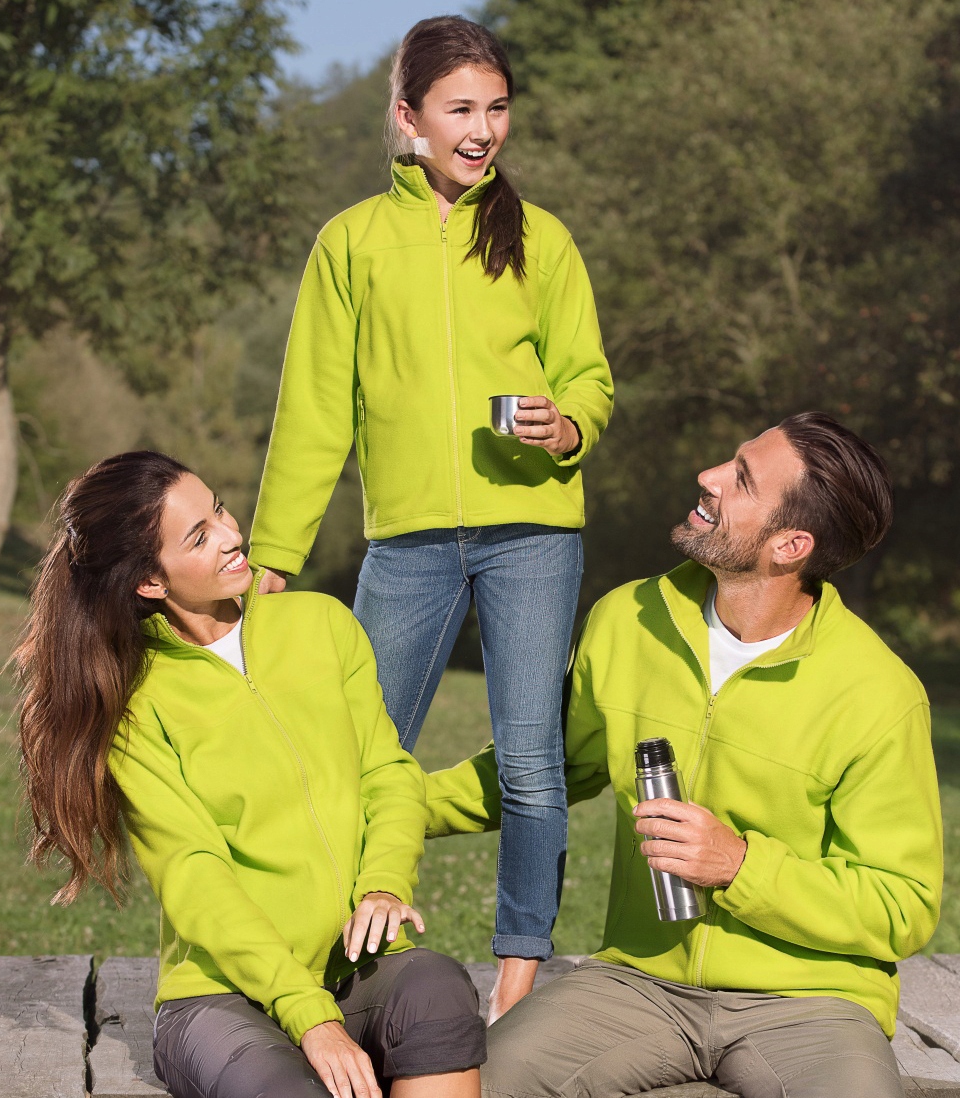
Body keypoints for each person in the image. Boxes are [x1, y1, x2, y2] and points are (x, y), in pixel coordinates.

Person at [248, 16, 614, 1019]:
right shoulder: (352, 243)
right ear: (408, 117)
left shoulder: (544, 241)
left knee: (531, 762)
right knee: (356, 756)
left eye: (497, 108)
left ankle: (519, 975)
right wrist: (274, 554)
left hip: (533, 532)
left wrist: (565, 425)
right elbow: (314, 411)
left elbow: (588, 376)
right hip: (405, 541)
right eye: (460, 109)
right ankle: (342, 955)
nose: (482, 129)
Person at [426, 412, 944, 1098]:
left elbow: (902, 905)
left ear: (790, 545)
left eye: (741, 479)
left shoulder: (877, 692)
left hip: (812, 1002)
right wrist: (385, 803)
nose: (708, 477)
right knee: (477, 1085)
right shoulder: (627, 621)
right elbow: (537, 771)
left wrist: (739, 866)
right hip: (639, 983)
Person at [14, 451, 486, 1098]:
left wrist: (382, 884)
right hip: (221, 996)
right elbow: (194, 875)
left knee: (437, 991)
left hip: (354, 967)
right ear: (149, 581)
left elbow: (387, 774)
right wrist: (307, 1013)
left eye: (219, 510)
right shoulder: (137, 708)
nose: (232, 535)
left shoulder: (323, 624)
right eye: (199, 537)